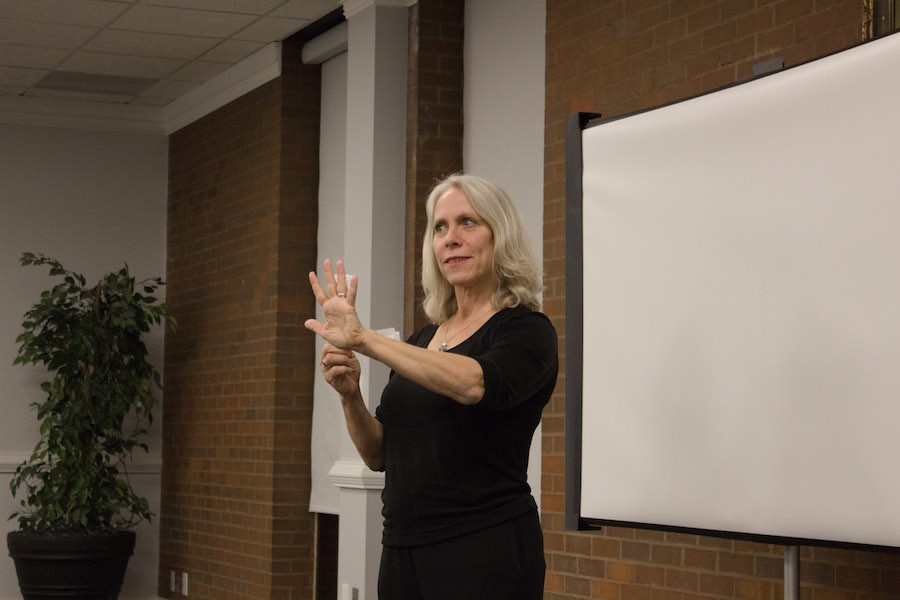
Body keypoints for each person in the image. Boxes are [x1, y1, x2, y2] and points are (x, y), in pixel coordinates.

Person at [305, 174, 558, 600]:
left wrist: (366, 339)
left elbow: (473, 383)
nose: (450, 238)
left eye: (468, 223)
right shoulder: (422, 340)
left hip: (484, 549)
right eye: (440, 227)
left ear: (502, 236)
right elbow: (378, 453)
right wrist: (350, 397)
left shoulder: (526, 330)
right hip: (403, 550)